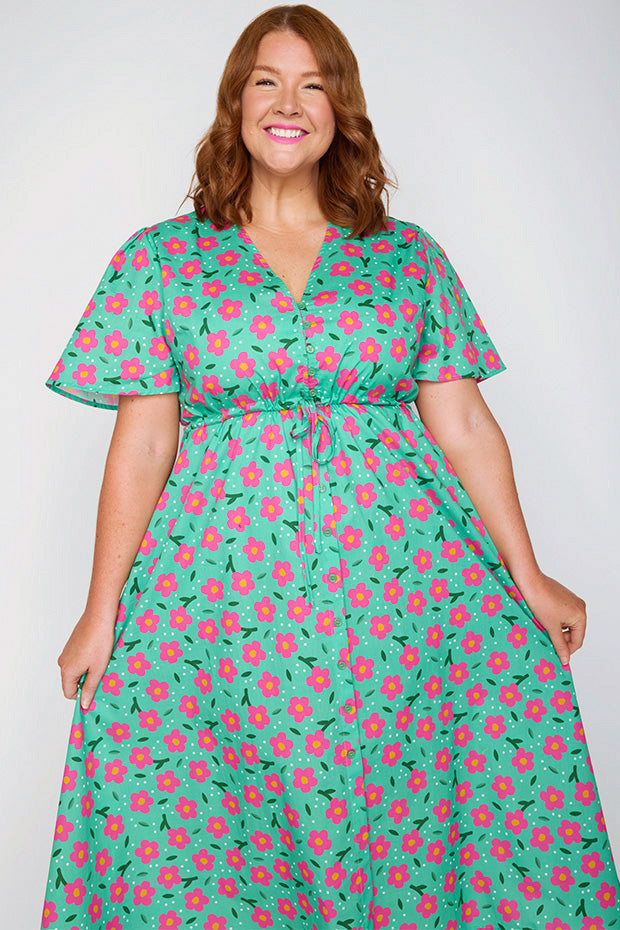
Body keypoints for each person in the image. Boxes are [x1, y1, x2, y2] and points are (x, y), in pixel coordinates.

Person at [40, 5, 620, 929]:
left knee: (410, 807)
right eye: (266, 82)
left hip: (403, 593)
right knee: (210, 821)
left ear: (339, 110)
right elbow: (144, 444)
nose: (288, 104)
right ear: (235, 104)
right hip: (221, 601)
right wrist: (99, 613)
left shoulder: (406, 257)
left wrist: (528, 573)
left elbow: (465, 424)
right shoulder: (161, 261)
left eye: (313, 85)